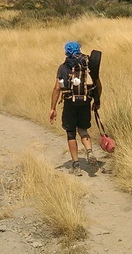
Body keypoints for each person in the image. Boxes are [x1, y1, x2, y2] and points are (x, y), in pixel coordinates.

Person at [49, 41, 102, 176]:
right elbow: (98, 85)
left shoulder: (63, 67)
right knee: (83, 129)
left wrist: (53, 108)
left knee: (71, 133)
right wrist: (97, 101)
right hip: (85, 102)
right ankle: (89, 151)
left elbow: (57, 88)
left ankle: (76, 165)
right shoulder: (88, 65)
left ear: (66, 51)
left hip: (69, 103)